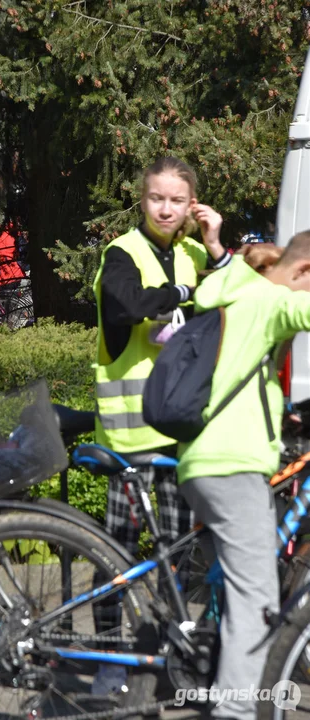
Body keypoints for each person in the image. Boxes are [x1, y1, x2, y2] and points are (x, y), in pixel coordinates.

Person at [92, 155, 231, 693]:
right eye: (156, 198)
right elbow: (123, 303)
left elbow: (238, 290)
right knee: (117, 561)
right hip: (129, 441)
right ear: (142, 199)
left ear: (191, 203)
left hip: (180, 437)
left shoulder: (199, 254)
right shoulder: (122, 252)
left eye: (177, 200)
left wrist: (216, 242)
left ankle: (167, 662)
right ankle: (107, 663)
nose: (166, 208)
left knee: (174, 559)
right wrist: (179, 297)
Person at [177, 234, 310, 720]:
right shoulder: (270, 297)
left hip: (202, 462)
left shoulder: (232, 292)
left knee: (237, 593)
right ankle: (235, 712)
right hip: (233, 466)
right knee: (257, 600)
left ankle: (215, 682)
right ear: (302, 272)